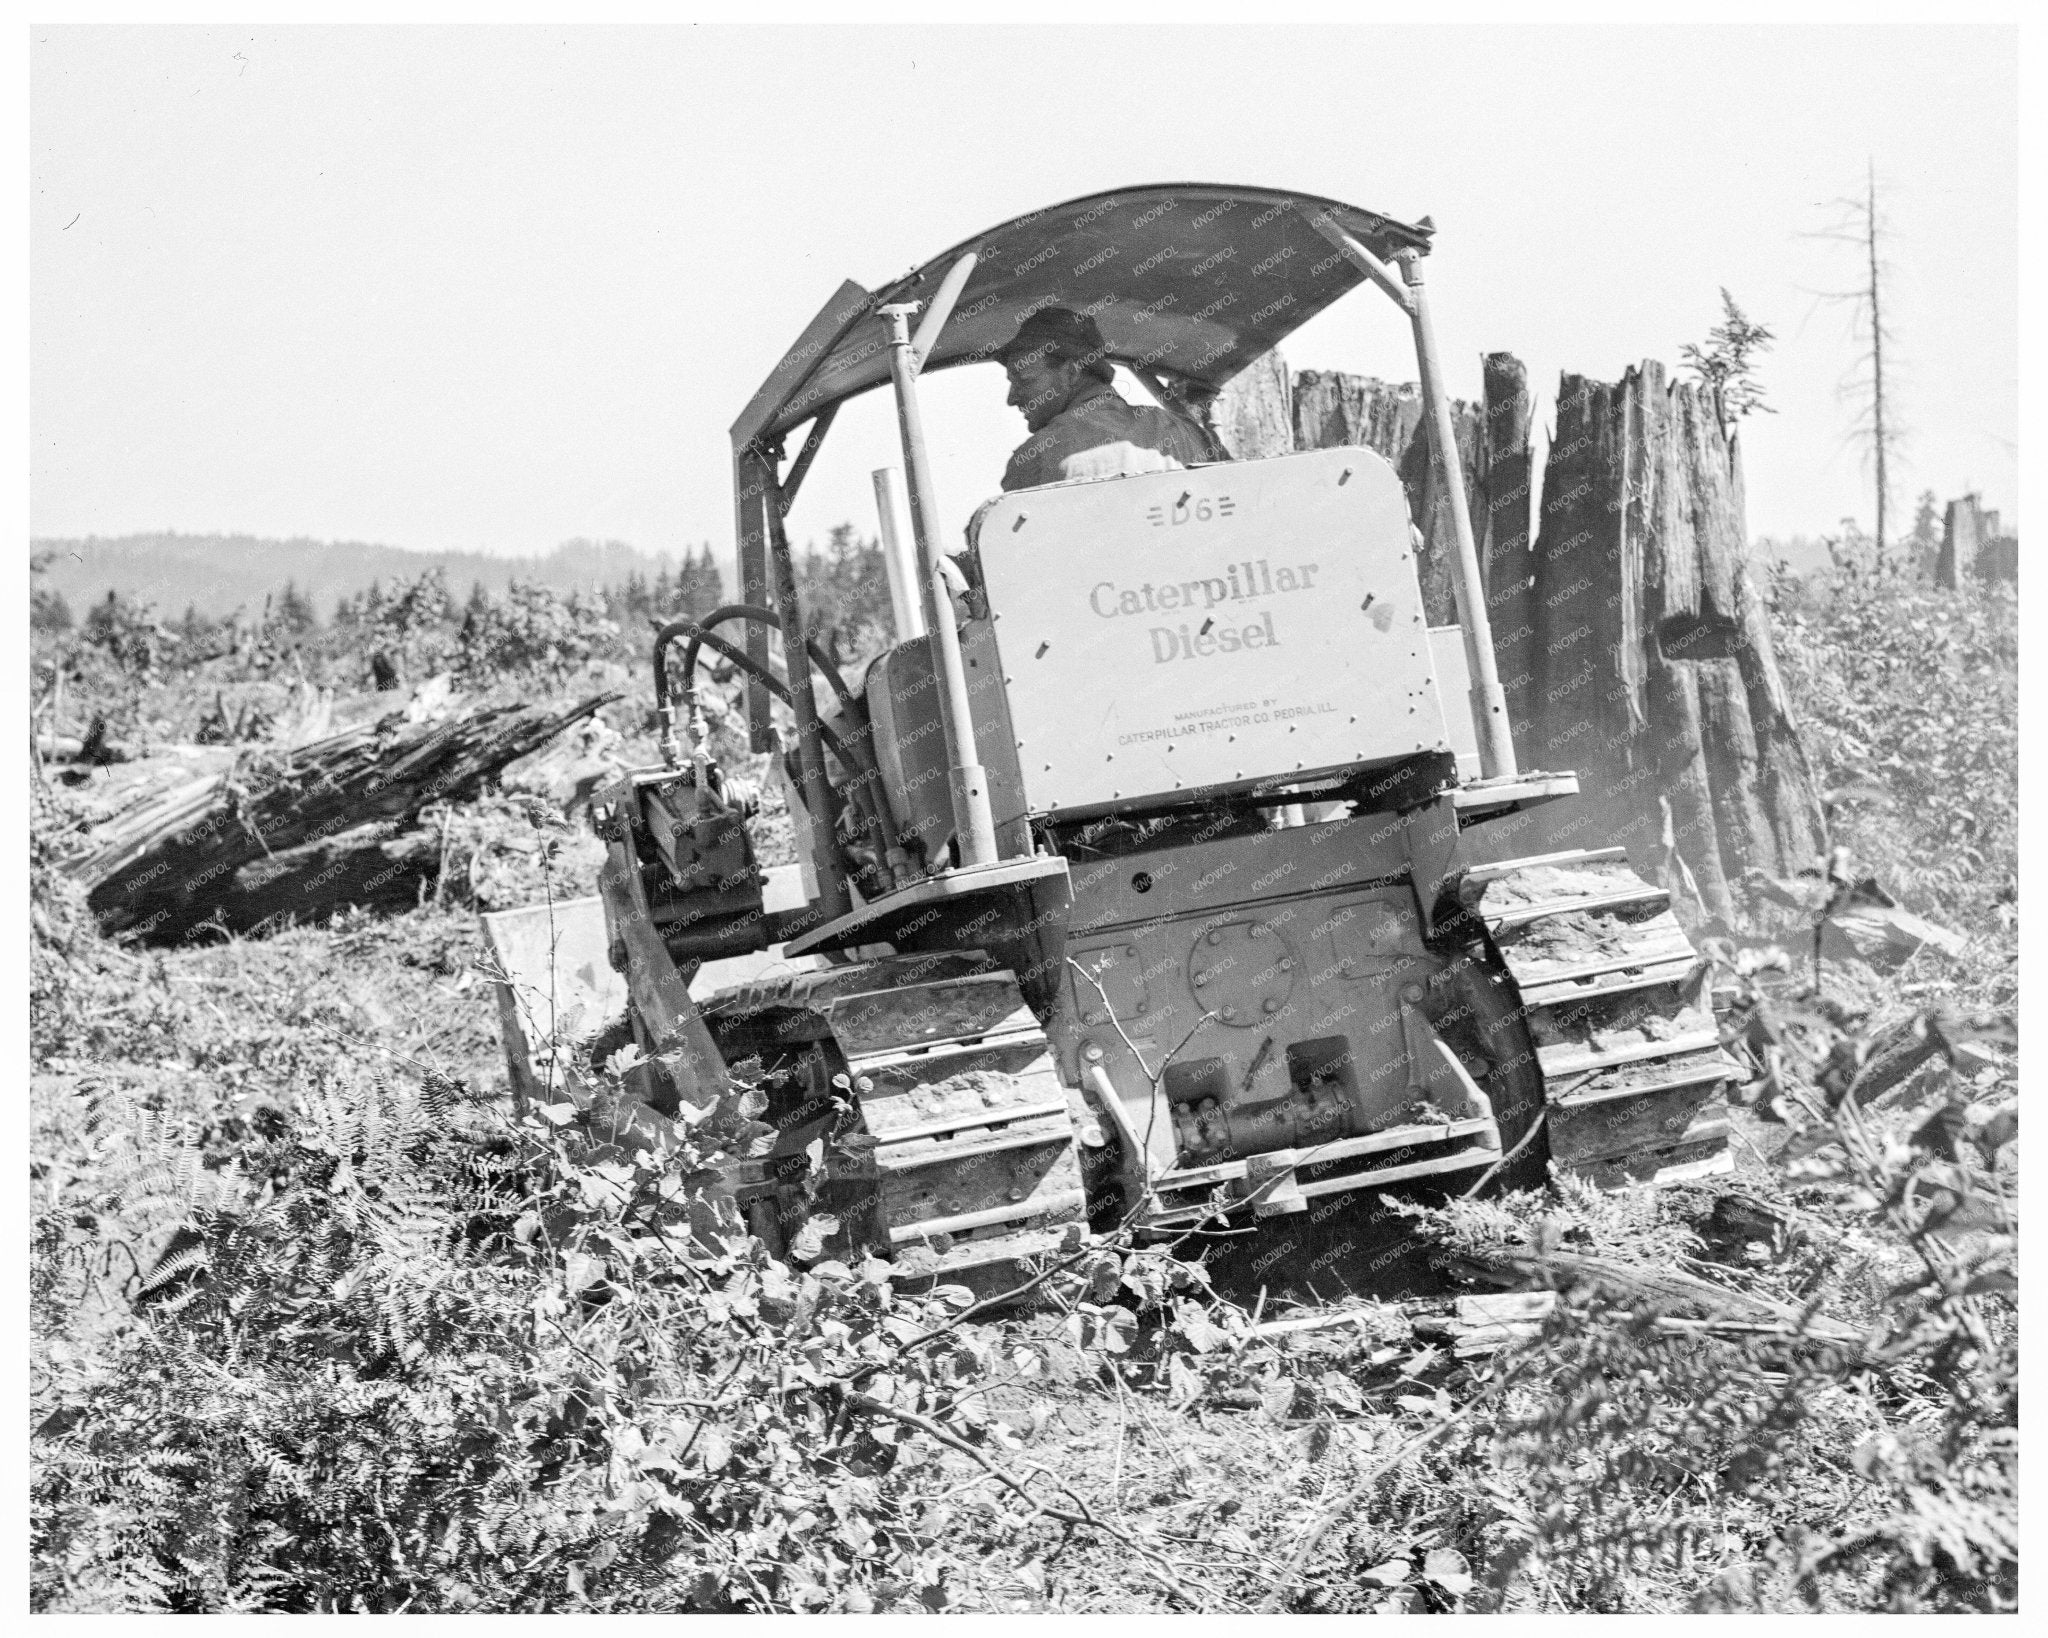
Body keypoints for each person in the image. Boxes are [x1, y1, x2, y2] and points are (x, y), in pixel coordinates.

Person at [997, 308, 1213, 492]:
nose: (1012, 398)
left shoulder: (1035, 459)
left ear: (1071, 373)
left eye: (1023, 380)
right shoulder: (1191, 435)